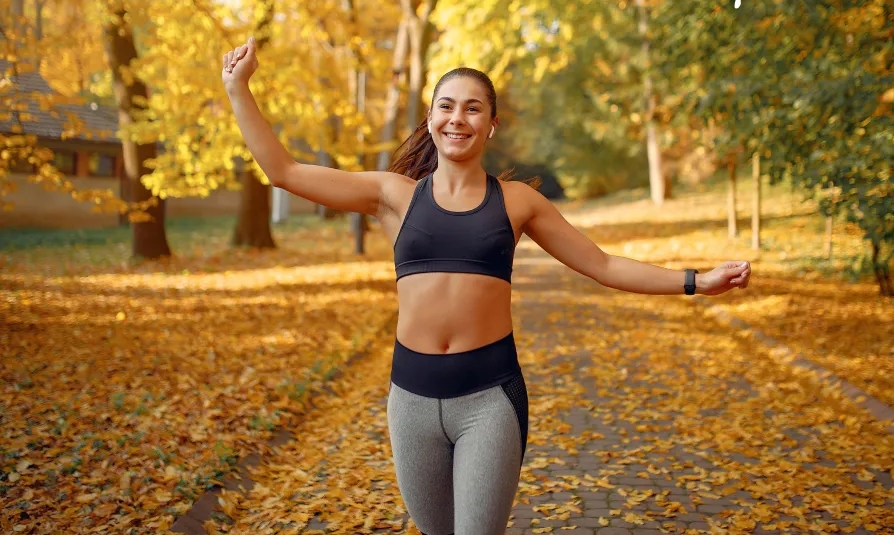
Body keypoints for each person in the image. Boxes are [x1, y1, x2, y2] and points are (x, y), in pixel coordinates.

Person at [221, 37, 752, 535]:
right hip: (410, 401)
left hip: (488, 402)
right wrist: (238, 88)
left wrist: (697, 282)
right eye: (446, 106)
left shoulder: (518, 201)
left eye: (473, 108)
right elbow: (284, 171)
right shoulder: (391, 195)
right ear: (430, 120)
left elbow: (604, 265)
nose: (458, 118)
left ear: (491, 124)